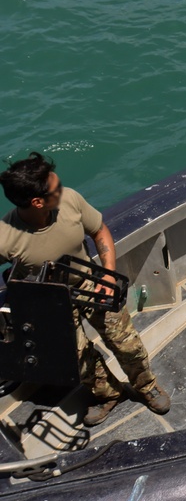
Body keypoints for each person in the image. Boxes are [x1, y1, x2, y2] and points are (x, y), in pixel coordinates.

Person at [0, 153, 170, 427]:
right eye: (56, 188)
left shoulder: (70, 200)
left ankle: (145, 385)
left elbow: (100, 231)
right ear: (37, 202)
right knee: (77, 359)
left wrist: (108, 276)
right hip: (49, 301)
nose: (63, 190)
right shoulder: (5, 236)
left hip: (89, 284)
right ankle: (109, 394)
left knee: (126, 343)